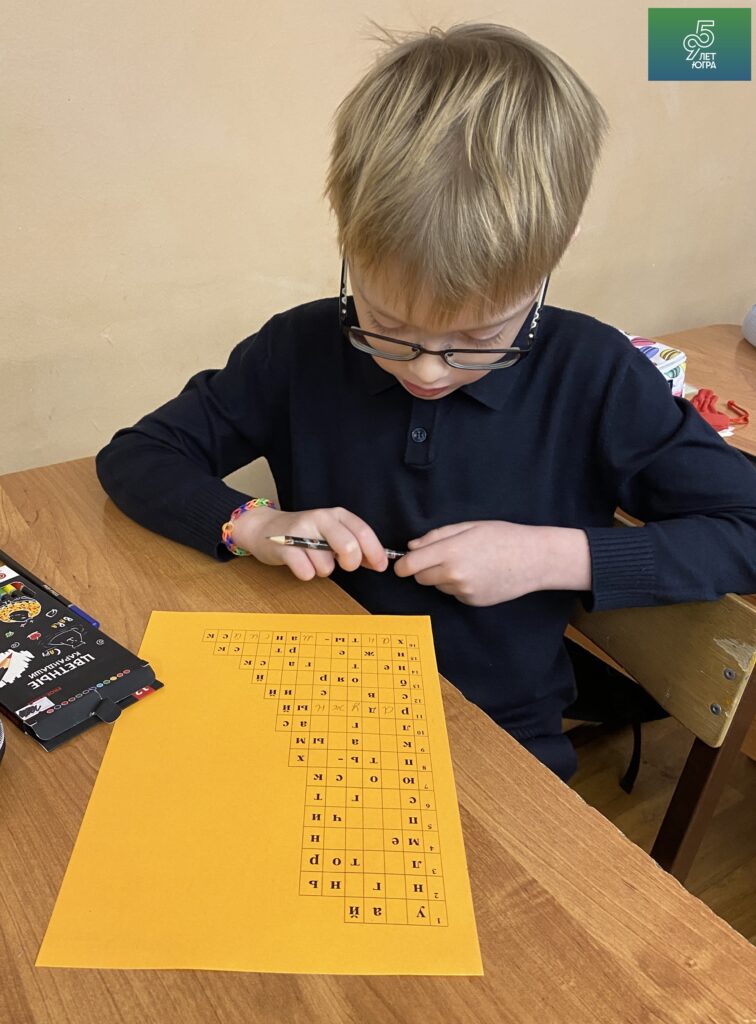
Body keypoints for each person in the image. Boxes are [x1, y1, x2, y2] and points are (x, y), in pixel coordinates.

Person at [96, 23, 756, 782]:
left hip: (494, 739)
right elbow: (138, 456)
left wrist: (549, 556)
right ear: (348, 236)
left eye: (478, 338)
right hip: (314, 693)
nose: (430, 371)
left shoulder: (596, 375)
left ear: (557, 251)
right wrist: (255, 524)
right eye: (387, 326)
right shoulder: (300, 347)